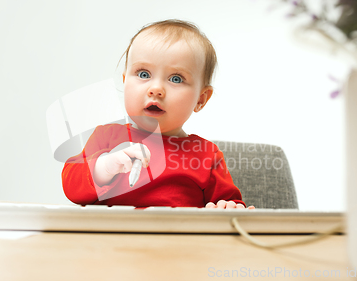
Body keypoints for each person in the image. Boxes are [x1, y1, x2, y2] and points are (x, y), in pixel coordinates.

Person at [62, 19, 254, 209]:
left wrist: (228, 208)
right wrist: (105, 167)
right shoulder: (107, 136)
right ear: (124, 82)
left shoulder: (206, 154)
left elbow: (230, 203)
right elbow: (72, 187)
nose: (156, 89)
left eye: (176, 79)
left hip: (178, 238)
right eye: (143, 74)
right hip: (113, 238)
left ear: (201, 99)